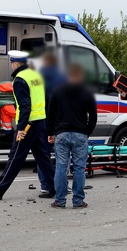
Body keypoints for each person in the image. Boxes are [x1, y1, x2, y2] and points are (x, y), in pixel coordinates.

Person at [0, 51, 55, 200]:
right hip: (40, 122)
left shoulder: (20, 80)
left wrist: (21, 128)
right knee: (43, 158)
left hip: (28, 125)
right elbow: (46, 99)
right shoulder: (36, 75)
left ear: (15, 64)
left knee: (15, 157)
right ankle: (56, 187)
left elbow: (25, 106)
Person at [47, 64, 97, 209]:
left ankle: (60, 200)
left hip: (61, 135)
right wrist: (87, 132)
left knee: (61, 168)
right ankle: (78, 200)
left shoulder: (57, 91)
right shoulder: (87, 92)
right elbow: (93, 116)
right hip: (80, 134)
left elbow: (50, 115)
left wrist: (50, 133)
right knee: (79, 168)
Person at [34, 51, 66, 197]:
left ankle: (46, 185)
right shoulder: (63, 77)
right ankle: (61, 184)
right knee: (62, 155)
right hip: (60, 122)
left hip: (42, 121)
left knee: (43, 155)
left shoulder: (37, 77)